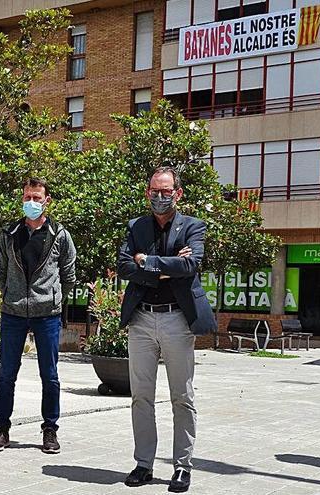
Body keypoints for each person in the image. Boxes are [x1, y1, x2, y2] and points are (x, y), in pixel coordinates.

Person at [116, 166, 217, 493]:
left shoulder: (193, 227)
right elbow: (124, 266)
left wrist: (148, 262)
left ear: (178, 193)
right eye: (155, 192)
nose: (161, 197)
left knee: (181, 396)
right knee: (141, 397)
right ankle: (144, 464)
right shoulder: (136, 227)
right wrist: (163, 266)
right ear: (148, 193)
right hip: (141, 320)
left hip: (177, 319)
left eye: (167, 191)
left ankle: (182, 467)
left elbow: (190, 266)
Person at [0, 178, 76, 454]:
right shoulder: (9, 233)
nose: (31, 203)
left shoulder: (59, 234)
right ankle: (1, 429)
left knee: (49, 375)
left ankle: (50, 429)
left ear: (47, 200)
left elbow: (68, 274)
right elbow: (1, 271)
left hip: (46, 313)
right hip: (13, 312)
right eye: (27, 198)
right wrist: (11, 294)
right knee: (6, 375)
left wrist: (52, 296)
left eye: (37, 198)